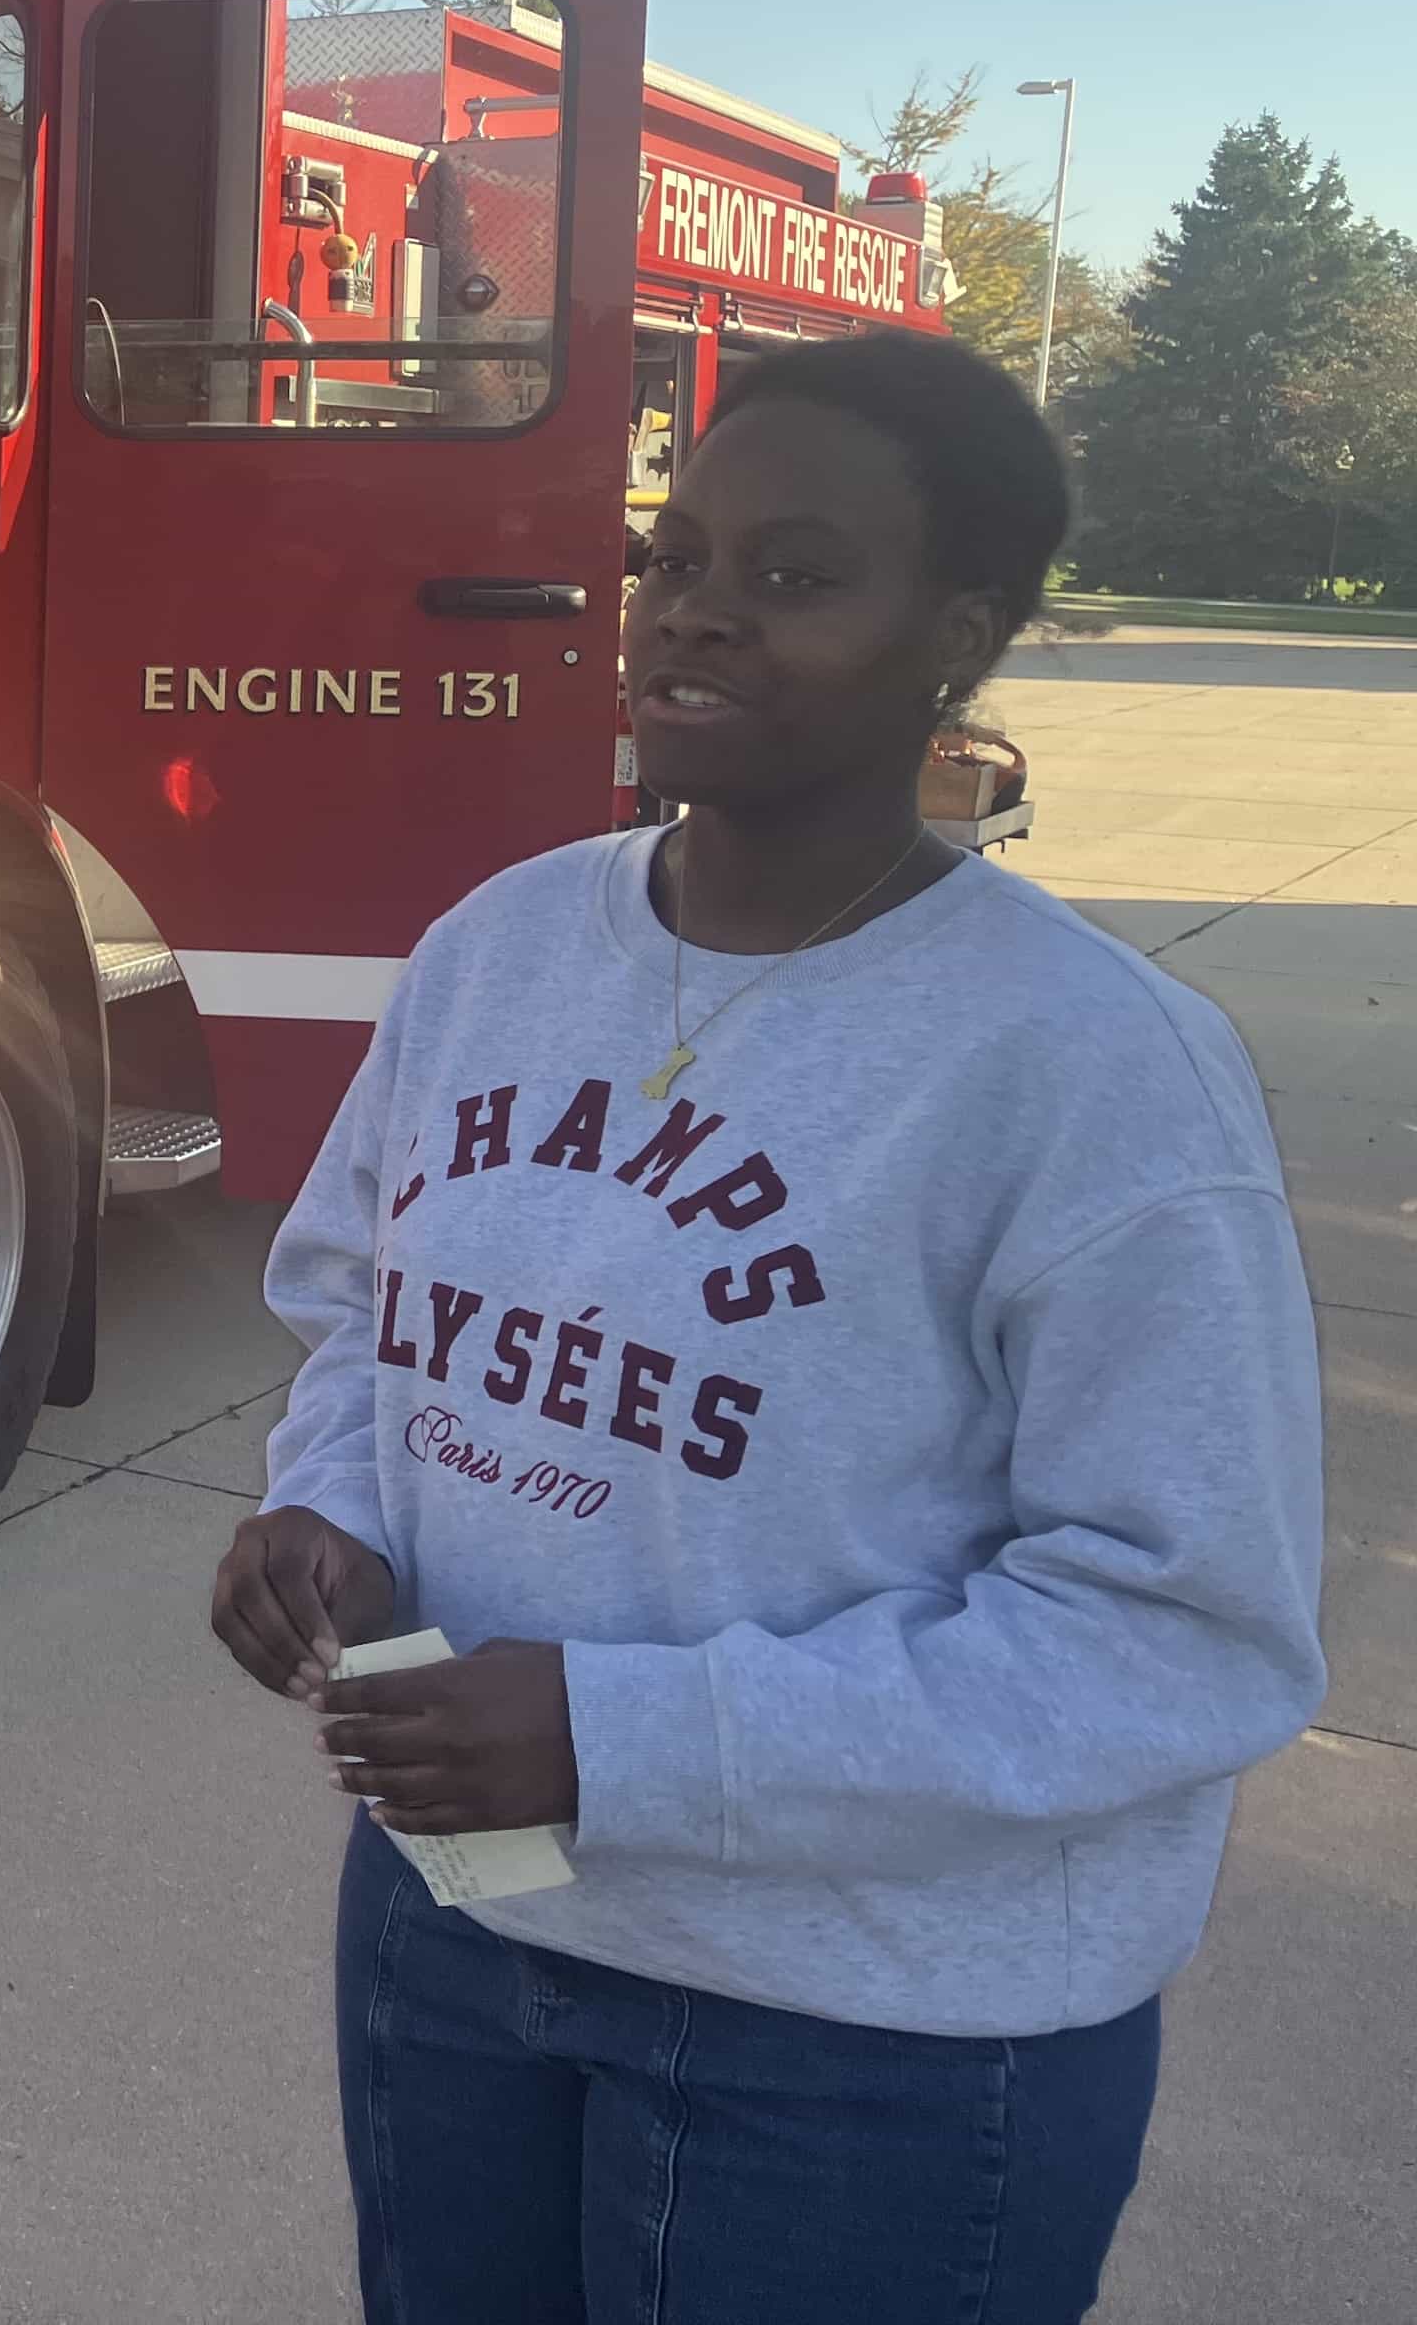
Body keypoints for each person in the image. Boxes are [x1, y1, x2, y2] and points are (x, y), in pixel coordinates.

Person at [210, 330, 1327, 2324]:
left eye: (798, 576)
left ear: (955, 636)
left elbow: (1184, 1631)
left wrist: (618, 1735)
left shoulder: (1088, 1070)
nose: (699, 609)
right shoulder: (504, 945)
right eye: (675, 552)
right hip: (465, 1930)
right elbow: (369, 1312)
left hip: (867, 2042)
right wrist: (336, 1511)